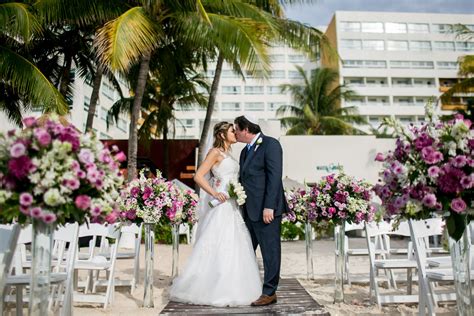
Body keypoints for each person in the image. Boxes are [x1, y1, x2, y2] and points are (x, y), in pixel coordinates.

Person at [169, 122, 261, 306]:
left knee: (236, 244)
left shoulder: (230, 155)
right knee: (218, 242)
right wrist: (214, 192)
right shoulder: (215, 153)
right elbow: (198, 176)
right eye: (232, 131)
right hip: (220, 205)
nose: (236, 133)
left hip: (234, 205)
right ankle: (210, 288)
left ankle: (235, 287)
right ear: (221, 134)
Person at [234, 115, 289, 306]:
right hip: (248, 210)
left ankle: (269, 292)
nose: (235, 133)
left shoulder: (270, 144)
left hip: (267, 210)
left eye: (236, 129)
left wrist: (269, 207)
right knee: (246, 251)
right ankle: (247, 288)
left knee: (270, 252)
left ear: (246, 130)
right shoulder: (243, 152)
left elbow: (275, 178)